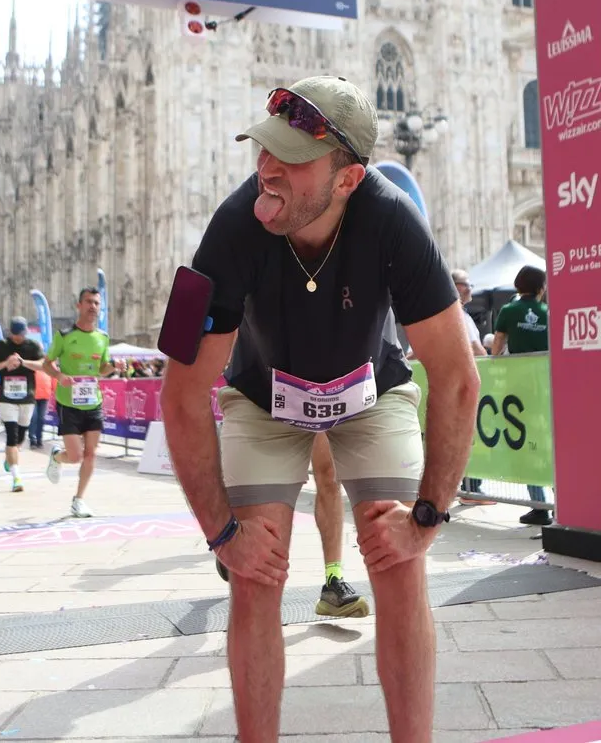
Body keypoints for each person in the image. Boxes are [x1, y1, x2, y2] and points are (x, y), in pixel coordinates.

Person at [161, 76, 480, 743]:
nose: (266, 168)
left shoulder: (393, 219)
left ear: (347, 178)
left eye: (290, 158)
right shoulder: (230, 230)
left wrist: (427, 516)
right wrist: (224, 535)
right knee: (256, 571)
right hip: (261, 394)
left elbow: (456, 377)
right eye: (264, 149)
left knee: (397, 563)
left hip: (370, 389)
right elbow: (181, 393)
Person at [217, 431, 370, 618]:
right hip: (275, 408)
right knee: (265, 476)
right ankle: (236, 534)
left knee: (330, 473)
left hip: (318, 405)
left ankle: (333, 581)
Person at [42, 287, 113, 518]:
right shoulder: (64, 335)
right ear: (79, 306)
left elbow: (102, 369)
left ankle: (79, 500)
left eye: (96, 303)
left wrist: (114, 367)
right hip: (68, 403)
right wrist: (59, 376)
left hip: (93, 402)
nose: (93, 307)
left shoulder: (102, 338)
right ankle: (56, 457)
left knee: (91, 454)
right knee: (76, 456)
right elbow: (47, 364)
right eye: (89, 302)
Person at [492, 265, 551, 527]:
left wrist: (495, 365)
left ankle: (539, 505)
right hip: (547, 384)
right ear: (541, 287)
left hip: (518, 387)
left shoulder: (509, 310)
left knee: (529, 445)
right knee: (552, 444)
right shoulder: (548, 312)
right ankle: (563, 503)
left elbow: (498, 343)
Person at [0, 317, 45, 492]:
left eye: (22, 334)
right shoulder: (0, 346)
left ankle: (10, 458)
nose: (19, 338)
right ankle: (17, 477)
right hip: (6, 398)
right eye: (16, 335)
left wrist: (23, 362)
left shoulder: (33, 346)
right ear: (10, 332)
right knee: (11, 435)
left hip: (27, 397)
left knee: (21, 437)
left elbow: (43, 366)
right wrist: (4, 364)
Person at [451, 270, 493, 507]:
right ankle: (470, 489)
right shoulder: (458, 314)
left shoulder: (461, 314)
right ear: (456, 286)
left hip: (462, 382)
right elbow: (475, 348)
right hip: (465, 382)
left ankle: (469, 488)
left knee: (467, 434)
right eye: (467, 285)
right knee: (469, 434)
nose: (470, 289)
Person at [28, 367, 54, 449]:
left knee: (41, 419)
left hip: (45, 396)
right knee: (33, 418)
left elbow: (54, 378)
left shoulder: (50, 364)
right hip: (32, 396)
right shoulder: (31, 363)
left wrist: (55, 390)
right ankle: (33, 440)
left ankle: (39, 440)